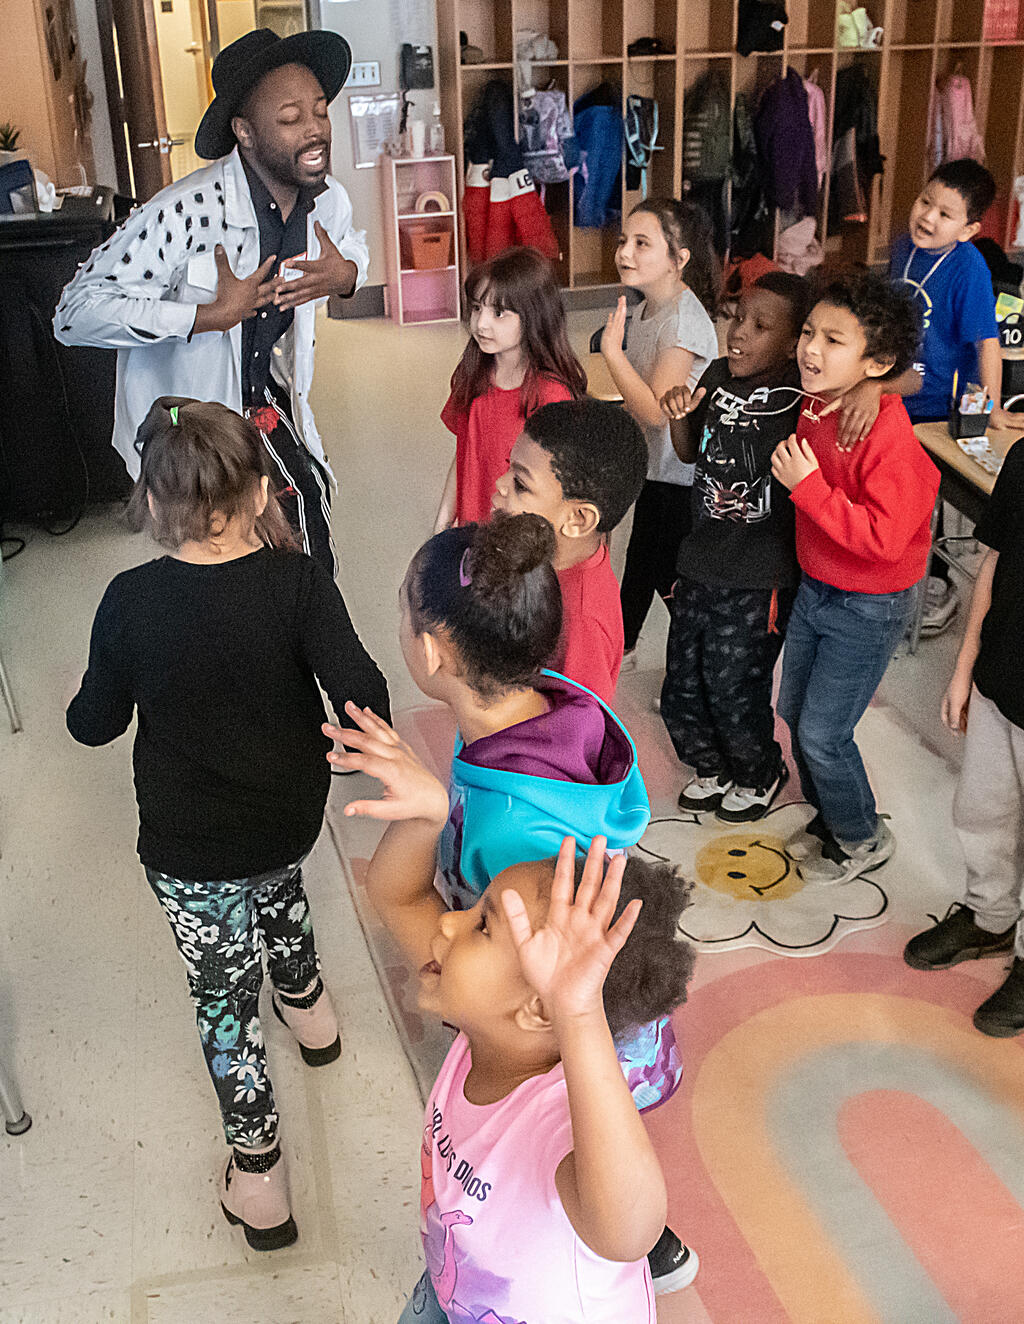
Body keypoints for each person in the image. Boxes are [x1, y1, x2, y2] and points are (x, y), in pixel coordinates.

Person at [324, 513, 699, 1294]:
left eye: (482, 921)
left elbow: (531, 983)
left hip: (572, 1044)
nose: (453, 919)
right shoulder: (552, 710)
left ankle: (652, 1254)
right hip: (572, 1027)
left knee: (579, 1171)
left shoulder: (515, 840)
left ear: (433, 652)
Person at [66, 398, 389, 1250]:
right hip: (289, 814)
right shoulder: (297, 582)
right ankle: (311, 1012)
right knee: (280, 886)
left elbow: (95, 724)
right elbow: (362, 690)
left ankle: (261, 1182)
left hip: (190, 848)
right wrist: (359, 746)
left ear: (154, 502)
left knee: (224, 1001)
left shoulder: (129, 600)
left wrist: (84, 697)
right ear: (258, 492)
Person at [347, 793, 694, 1324]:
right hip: (453, 1289)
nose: (448, 924)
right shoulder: (487, 1030)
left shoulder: (555, 1122)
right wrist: (425, 818)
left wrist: (578, 1012)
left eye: (482, 926)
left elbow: (629, 1233)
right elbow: (400, 898)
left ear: (538, 1009)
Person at [55, 28, 369, 575]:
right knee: (225, 559)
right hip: (192, 426)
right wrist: (204, 318)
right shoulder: (183, 213)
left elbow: (352, 246)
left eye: (320, 111)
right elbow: (75, 312)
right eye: (291, 118)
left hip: (263, 398)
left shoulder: (327, 202)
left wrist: (347, 275)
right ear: (245, 132)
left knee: (305, 516)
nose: (316, 129)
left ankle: (307, 620)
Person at [771, 273, 939, 885]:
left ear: (876, 363)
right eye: (808, 332)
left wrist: (809, 490)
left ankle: (862, 836)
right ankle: (834, 812)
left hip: (869, 604)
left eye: (833, 340)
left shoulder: (886, 434)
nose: (810, 349)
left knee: (824, 732)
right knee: (793, 710)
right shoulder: (816, 402)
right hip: (817, 588)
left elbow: (885, 539)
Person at [658, 273, 810, 821]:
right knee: (682, 682)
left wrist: (867, 390)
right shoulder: (718, 375)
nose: (739, 333)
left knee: (734, 685)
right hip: (700, 559)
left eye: (760, 326)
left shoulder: (804, 392)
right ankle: (711, 765)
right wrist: (679, 419)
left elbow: (895, 378)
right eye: (738, 318)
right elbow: (691, 453)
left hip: (759, 574)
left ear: (794, 343)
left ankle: (759, 771)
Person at [903, 435, 1024, 1037]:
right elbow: (994, 564)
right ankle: (990, 916)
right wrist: (965, 666)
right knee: (982, 813)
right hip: (1000, 680)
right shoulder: (1023, 459)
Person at [890, 158, 1024, 635]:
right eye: (925, 202)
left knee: (922, 492)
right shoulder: (903, 247)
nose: (928, 217)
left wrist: (991, 407)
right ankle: (892, 572)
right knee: (889, 489)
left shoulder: (968, 268)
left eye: (945, 214)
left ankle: (936, 583)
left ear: (968, 230)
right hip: (893, 389)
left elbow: (987, 342)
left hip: (933, 405)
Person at [599, 198, 720, 660]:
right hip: (655, 470)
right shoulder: (647, 307)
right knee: (641, 564)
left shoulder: (683, 321)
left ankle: (701, 661)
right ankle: (621, 647)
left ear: (679, 258)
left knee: (666, 574)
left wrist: (612, 353)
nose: (625, 252)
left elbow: (654, 411)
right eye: (623, 241)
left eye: (641, 243)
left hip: (680, 478)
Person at [490, 398, 647, 704]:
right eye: (509, 467)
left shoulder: (582, 623)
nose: (499, 483)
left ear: (578, 520)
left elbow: (581, 724)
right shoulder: (542, 559)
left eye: (520, 483)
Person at [434, 246, 587, 532]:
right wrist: (442, 524)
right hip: (473, 533)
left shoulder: (552, 395)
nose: (481, 324)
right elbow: (464, 451)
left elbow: (556, 489)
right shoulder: (472, 372)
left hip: (519, 541)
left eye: (499, 313)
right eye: (477, 308)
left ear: (534, 316)